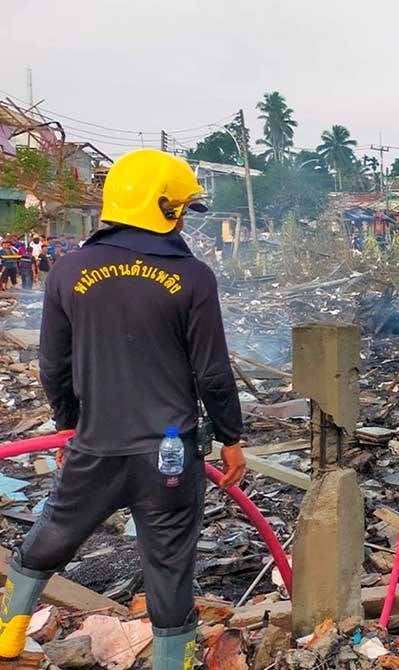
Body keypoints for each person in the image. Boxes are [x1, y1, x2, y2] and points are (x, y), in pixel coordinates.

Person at [0, 149, 246, 668]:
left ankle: (8, 637)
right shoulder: (193, 278)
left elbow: (53, 367)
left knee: (51, 536)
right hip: (170, 460)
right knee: (170, 569)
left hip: (96, 447)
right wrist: (231, 438)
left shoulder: (67, 271)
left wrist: (68, 426)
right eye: (180, 208)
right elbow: (212, 373)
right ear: (164, 208)